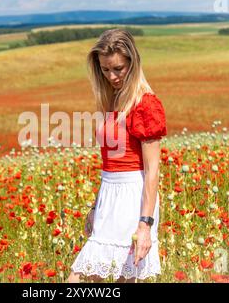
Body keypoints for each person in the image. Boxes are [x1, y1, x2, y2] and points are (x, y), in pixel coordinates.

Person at [67, 29, 167, 283]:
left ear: (133, 63)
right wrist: (94, 207)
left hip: (133, 197)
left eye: (118, 68)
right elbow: (109, 165)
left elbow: (152, 170)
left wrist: (145, 224)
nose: (111, 76)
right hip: (108, 195)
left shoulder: (146, 104)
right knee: (107, 279)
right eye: (105, 69)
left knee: (80, 277)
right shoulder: (111, 101)